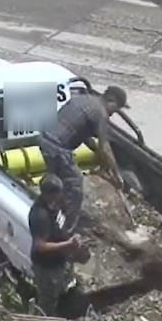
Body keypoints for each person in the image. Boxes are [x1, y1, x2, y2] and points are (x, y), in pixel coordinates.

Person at [38, 86, 129, 233]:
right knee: (75, 186)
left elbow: (81, 132)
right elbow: (105, 147)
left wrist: (97, 152)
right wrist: (117, 175)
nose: (114, 114)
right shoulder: (100, 113)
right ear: (111, 101)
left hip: (45, 139)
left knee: (56, 183)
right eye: (116, 109)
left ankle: (50, 215)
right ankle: (66, 230)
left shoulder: (82, 100)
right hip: (57, 148)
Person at [28, 174, 82, 316]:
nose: (61, 196)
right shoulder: (40, 215)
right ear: (48, 194)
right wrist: (68, 244)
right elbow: (40, 246)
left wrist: (73, 238)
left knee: (64, 290)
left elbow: (62, 226)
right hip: (47, 268)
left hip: (61, 261)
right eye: (58, 193)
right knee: (48, 302)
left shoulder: (55, 205)